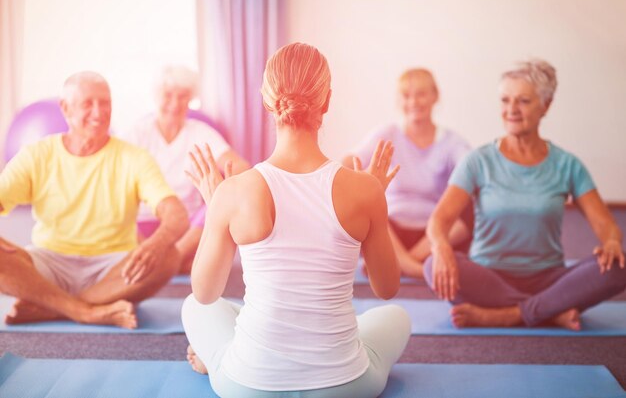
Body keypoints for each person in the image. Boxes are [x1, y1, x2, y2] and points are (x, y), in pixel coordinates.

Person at [181, 43, 411, 398]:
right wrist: (373, 200)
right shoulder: (365, 190)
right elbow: (386, 289)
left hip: (247, 386)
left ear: (265, 100)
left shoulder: (233, 192)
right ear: (327, 101)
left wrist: (217, 211)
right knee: (397, 316)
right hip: (346, 387)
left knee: (193, 307)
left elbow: (205, 292)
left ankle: (216, 358)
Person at [425, 59, 626, 330]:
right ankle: (549, 311)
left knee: (617, 266)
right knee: (431, 265)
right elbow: (439, 221)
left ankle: (508, 315)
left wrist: (612, 242)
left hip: (549, 278)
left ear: (546, 105)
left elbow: (605, 225)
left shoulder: (567, 164)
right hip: (488, 277)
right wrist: (441, 248)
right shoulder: (478, 161)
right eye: (505, 100)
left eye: (523, 101)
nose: (511, 110)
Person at [0, 71, 189, 328]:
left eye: (105, 103)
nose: (99, 112)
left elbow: (176, 215)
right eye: (88, 104)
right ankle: (85, 311)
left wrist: (154, 245)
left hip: (113, 269)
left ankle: (54, 307)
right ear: (65, 108)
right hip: (49, 263)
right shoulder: (36, 154)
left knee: (168, 255)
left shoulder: (134, 158)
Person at [343, 68, 471, 278]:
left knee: (473, 209)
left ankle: (402, 263)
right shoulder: (387, 133)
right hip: (390, 230)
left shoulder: (452, 142)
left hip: (432, 234)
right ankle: (418, 270)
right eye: (406, 95)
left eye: (421, 94)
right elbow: (348, 163)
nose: (413, 102)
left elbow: (472, 168)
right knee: (362, 205)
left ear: (435, 96)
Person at [122, 66, 249, 271]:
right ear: (156, 97)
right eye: (168, 95)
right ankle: (177, 263)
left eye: (182, 97)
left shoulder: (200, 132)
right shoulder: (137, 133)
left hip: (188, 229)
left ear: (190, 99)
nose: (174, 104)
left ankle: (170, 260)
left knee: (217, 202)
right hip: (143, 224)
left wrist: (223, 186)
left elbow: (241, 166)